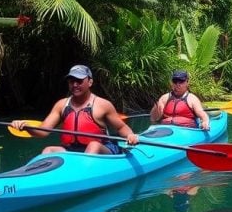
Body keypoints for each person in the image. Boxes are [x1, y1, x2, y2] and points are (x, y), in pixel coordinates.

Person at [10, 64, 139, 154]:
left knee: (92, 146)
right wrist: (27, 127)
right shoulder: (61, 105)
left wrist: (130, 135)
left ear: (90, 82)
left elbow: (121, 127)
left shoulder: (102, 105)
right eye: (71, 81)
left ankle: (83, 179)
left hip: (101, 149)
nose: (75, 84)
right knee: (48, 150)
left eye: (79, 80)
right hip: (72, 150)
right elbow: (43, 131)